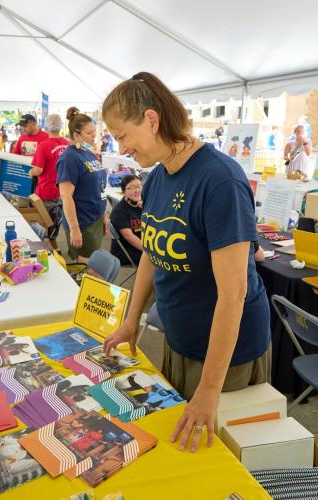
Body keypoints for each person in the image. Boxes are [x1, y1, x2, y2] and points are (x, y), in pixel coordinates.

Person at [101, 72, 271, 454]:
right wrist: (132, 320)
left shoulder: (220, 180)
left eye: (122, 135)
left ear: (151, 119)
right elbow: (152, 253)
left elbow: (234, 294)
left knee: (214, 454)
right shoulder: (159, 177)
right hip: (180, 339)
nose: (120, 147)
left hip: (225, 357)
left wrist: (209, 390)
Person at [57, 107, 108, 263]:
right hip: (82, 221)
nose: (94, 136)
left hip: (95, 217)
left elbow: (99, 186)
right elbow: (66, 196)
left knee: (92, 265)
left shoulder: (87, 153)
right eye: (89, 133)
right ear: (76, 135)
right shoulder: (69, 158)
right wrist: (74, 229)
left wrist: (103, 215)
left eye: (94, 131)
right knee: (88, 269)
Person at [29, 113, 69, 249]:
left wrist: (31, 172)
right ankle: (56, 250)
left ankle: (48, 250)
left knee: (45, 224)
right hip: (64, 191)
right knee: (55, 223)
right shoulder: (67, 144)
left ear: (46, 127)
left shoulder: (43, 146)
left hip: (46, 192)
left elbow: (38, 170)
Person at [109, 175, 143, 266]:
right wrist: (149, 251)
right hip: (126, 250)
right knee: (158, 260)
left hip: (142, 242)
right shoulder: (119, 211)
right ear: (123, 192)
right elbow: (129, 236)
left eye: (139, 186)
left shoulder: (141, 204)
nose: (136, 190)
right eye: (131, 188)